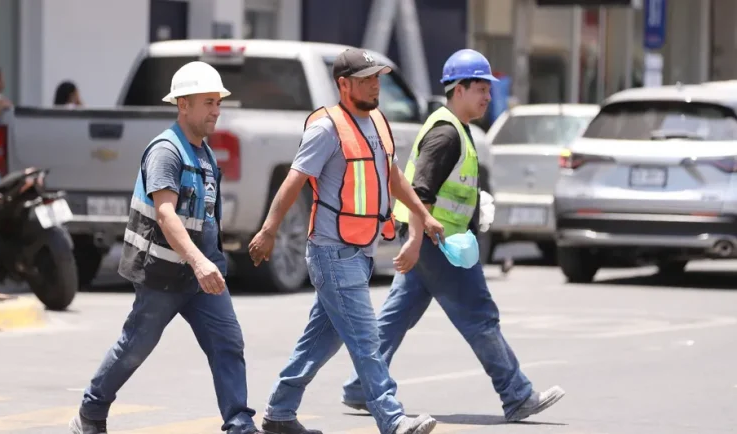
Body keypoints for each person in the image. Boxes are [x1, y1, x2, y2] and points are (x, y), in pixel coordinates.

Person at [339, 49, 566, 422]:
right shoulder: (446, 133)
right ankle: (516, 394)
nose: (488, 97)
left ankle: (361, 386)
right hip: (435, 242)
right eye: (480, 89)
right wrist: (414, 241)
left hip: (435, 239)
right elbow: (420, 191)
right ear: (458, 89)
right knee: (479, 315)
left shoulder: (457, 129)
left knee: (397, 315)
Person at [247, 48, 444, 434]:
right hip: (331, 252)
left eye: (378, 78)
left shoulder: (378, 122)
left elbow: (394, 176)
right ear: (343, 84)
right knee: (366, 339)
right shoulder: (327, 128)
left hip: (362, 249)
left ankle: (280, 412)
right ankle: (392, 419)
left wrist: (423, 214)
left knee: (320, 340)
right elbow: (294, 180)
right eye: (367, 79)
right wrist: (269, 229)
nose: (376, 85)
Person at [69, 61, 263, 434]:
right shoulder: (166, 151)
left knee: (228, 342)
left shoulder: (204, 153)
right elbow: (166, 214)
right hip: (162, 273)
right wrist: (199, 261)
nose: (216, 110)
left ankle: (239, 423)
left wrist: (210, 263)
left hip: (201, 274)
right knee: (135, 347)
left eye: (218, 102)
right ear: (182, 104)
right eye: (208, 102)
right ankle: (91, 413)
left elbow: (204, 217)